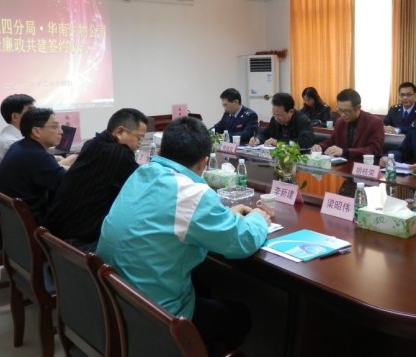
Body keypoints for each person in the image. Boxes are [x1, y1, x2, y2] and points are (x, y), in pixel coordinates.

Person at [97, 116, 270, 355]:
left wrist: (223, 217)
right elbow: (243, 241)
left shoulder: (141, 173)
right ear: (204, 162)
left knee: (203, 286)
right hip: (157, 318)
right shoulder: (192, 193)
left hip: (116, 300)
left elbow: (170, 219)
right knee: (238, 315)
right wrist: (258, 218)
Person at [46, 108, 148, 252]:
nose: (140, 144)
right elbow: (142, 188)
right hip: (78, 242)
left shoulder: (93, 143)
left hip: (56, 231)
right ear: (120, 132)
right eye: (139, 138)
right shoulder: (119, 154)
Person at [0, 108, 70, 225]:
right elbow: (69, 182)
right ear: (36, 131)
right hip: (30, 225)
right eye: (55, 127)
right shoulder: (37, 156)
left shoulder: (20, 146)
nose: (61, 132)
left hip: (10, 224)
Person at [311, 89, 384, 160]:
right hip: (342, 164)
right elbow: (332, 140)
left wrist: (345, 152)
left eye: (346, 111)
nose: (342, 115)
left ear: (358, 108)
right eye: (340, 110)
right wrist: (320, 146)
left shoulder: (374, 122)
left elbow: (374, 149)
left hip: (364, 164)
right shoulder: (340, 122)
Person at [0, 94, 35, 188]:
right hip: (1, 194)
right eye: (31, 110)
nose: (37, 114)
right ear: (14, 116)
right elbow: (32, 170)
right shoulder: (10, 142)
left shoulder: (11, 133)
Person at [249, 92, 314, 149]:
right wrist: (257, 139)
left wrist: (278, 143)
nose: (276, 118)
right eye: (274, 114)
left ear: (291, 112)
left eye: (279, 115)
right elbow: (265, 133)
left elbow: (305, 142)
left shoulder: (302, 121)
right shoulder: (274, 119)